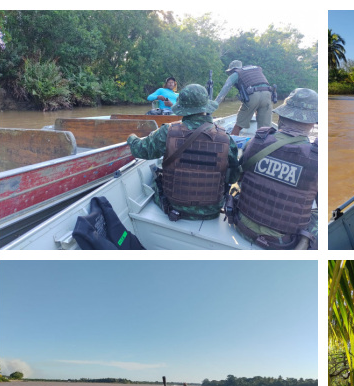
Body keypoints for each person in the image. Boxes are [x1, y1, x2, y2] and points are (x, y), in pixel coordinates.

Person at [127, 84, 241, 221]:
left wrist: (131, 138)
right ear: (206, 107)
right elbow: (234, 176)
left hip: (174, 206)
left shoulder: (167, 132)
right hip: (212, 210)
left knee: (154, 177)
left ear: (182, 108)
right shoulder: (225, 138)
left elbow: (140, 151)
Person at [230, 88, 318, 249]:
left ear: (282, 116)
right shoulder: (318, 158)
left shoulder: (256, 141)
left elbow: (238, 177)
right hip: (282, 242)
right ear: (313, 123)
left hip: (241, 225)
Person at [215, 60, 275, 136]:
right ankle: (264, 145)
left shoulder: (236, 74)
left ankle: (232, 143)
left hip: (253, 96)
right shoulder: (254, 70)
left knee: (239, 125)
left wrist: (214, 105)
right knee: (265, 128)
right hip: (268, 95)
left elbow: (223, 93)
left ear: (233, 69)